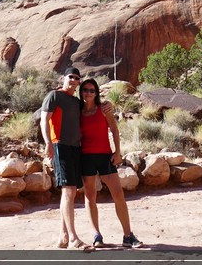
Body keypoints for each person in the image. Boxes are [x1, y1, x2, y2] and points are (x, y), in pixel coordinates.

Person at [78, 77, 143, 249]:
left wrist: (117, 152)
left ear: (96, 93)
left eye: (92, 90)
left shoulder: (104, 109)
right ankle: (96, 235)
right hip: (86, 158)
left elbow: (114, 129)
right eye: (85, 90)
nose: (89, 93)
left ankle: (128, 235)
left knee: (118, 195)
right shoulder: (78, 111)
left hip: (105, 156)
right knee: (90, 196)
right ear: (81, 92)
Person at [39, 67, 93, 251]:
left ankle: (63, 236)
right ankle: (73, 239)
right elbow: (44, 120)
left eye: (77, 78)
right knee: (69, 190)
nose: (73, 80)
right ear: (63, 78)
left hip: (76, 148)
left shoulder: (77, 102)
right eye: (71, 76)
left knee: (69, 192)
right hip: (60, 146)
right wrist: (48, 144)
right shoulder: (54, 96)